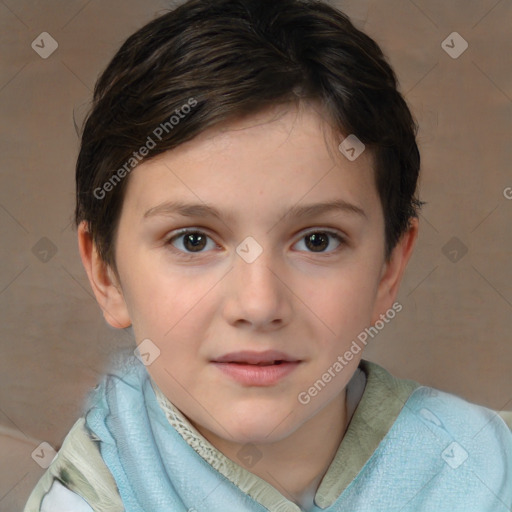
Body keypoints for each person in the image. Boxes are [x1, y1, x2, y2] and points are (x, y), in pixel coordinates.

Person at [24, 0, 512, 510]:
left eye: (317, 240)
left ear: (389, 269)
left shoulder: (482, 467)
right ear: (106, 273)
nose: (258, 305)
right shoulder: (88, 498)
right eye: (193, 240)